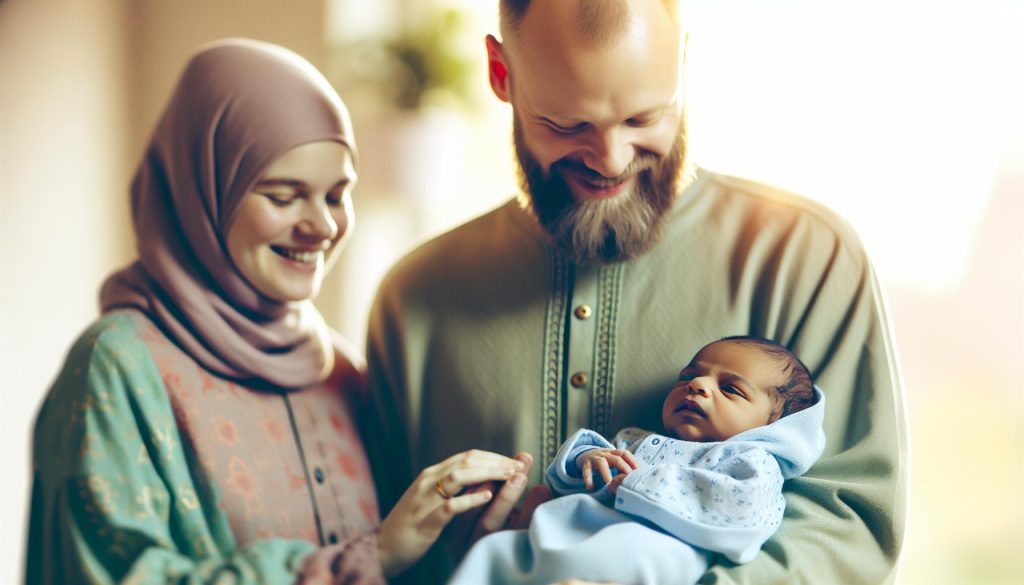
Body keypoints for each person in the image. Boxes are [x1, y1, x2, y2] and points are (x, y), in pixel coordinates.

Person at [364, 0, 907, 583]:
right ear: (501, 75)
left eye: (644, 118)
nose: (611, 161)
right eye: (567, 124)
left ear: (683, 62)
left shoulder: (806, 257)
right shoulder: (414, 298)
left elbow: (846, 531)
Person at [25, 38, 533, 584]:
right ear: (205, 194)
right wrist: (369, 558)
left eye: (337, 195)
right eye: (285, 195)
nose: (322, 226)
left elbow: (393, 559)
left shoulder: (338, 371)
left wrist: (469, 537)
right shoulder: (117, 367)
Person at [448, 336, 826, 584]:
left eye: (730, 389)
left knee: (642, 552)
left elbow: (742, 514)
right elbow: (565, 482)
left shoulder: (749, 459)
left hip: (646, 550)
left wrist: (638, 482)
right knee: (492, 551)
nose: (698, 386)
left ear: (773, 425)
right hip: (557, 537)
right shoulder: (635, 439)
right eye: (689, 377)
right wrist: (588, 457)